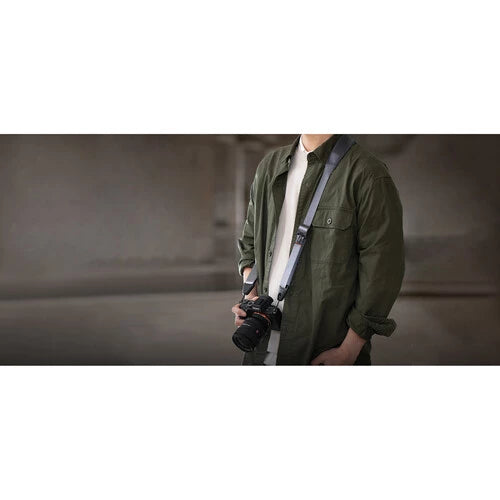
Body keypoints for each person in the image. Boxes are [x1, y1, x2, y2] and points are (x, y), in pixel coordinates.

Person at [231, 134, 405, 365]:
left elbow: (382, 270)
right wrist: (250, 298)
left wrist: (349, 350)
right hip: (259, 347)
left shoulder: (367, 173)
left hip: (323, 351)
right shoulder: (270, 165)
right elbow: (250, 242)